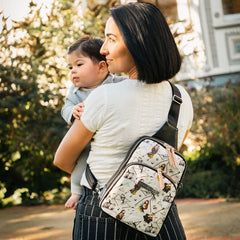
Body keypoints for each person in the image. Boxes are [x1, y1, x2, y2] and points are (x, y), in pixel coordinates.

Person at [54, 2, 193, 239]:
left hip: (101, 217)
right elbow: (166, 156)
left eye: (111, 39)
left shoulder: (103, 97)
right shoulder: (181, 97)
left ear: (137, 43)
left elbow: (63, 159)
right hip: (158, 215)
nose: (104, 50)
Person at [61, 36, 126, 209]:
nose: (73, 71)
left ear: (102, 66)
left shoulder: (118, 83)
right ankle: (76, 191)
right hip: (87, 140)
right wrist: (72, 112)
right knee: (82, 161)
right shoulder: (75, 92)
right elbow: (66, 108)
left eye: (79, 65)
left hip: (112, 137)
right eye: (70, 67)